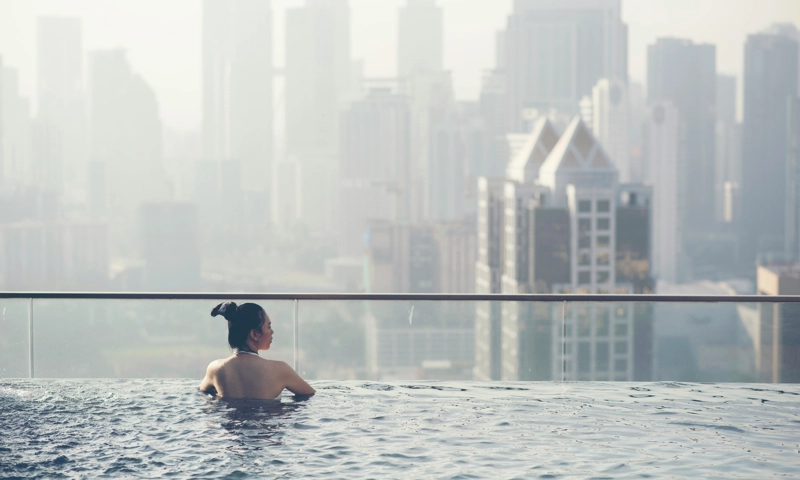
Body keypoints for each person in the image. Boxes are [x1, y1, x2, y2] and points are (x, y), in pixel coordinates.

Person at [200, 301, 315, 399]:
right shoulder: (280, 370)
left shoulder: (216, 369)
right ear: (255, 334)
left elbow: (202, 392)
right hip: (265, 422)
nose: (272, 332)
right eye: (269, 327)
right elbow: (310, 395)